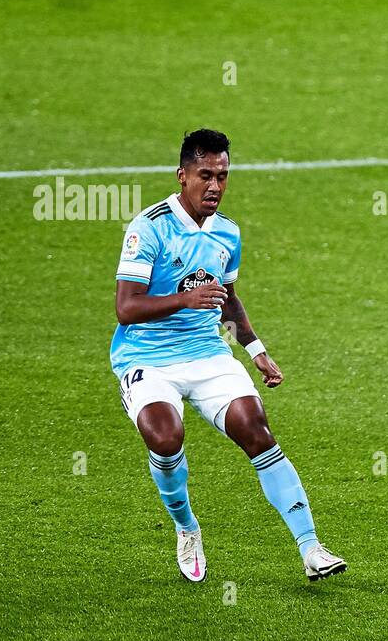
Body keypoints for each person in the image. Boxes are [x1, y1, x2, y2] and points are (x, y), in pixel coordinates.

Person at [111, 129, 345, 584]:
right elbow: (127, 307)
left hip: (206, 352)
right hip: (147, 356)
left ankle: (311, 547)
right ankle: (186, 526)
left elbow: (228, 299)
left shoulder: (228, 233)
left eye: (223, 176)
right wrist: (186, 300)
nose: (215, 186)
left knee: (255, 428)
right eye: (205, 175)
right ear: (182, 176)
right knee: (165, 437)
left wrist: (256, 350)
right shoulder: (149, 227)